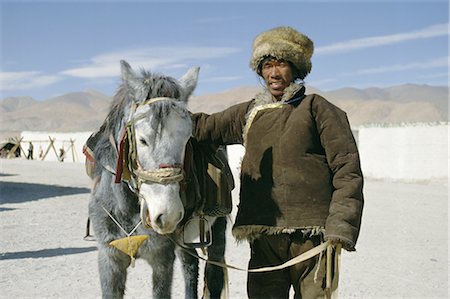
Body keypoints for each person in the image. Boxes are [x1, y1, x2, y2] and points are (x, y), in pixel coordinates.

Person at [194, 26, 364, 298]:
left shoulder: (317, 108)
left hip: (312, 237)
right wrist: (162, 110)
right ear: (260, 70)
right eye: (267, 65)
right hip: (264, 235)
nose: (274, 73)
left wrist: (341, 226)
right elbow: (204, 128)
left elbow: (348, 170)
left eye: (282, 64)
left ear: (296, 69)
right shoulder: (249, 112)